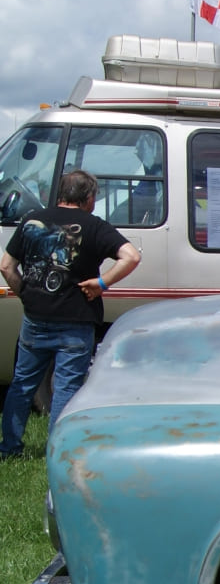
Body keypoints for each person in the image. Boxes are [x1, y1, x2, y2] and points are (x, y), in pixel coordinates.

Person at [1, 169, 141, 458]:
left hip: (35, 319)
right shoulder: (94, 226)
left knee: (22, 384)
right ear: (89, 198)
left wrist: (26, 294)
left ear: (62, 193)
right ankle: (58, 451)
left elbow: (6, 266)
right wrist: (102, 283)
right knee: (66, 387)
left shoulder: (32, 220)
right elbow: (132, 256)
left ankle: (9, 447)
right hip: (75, 323)